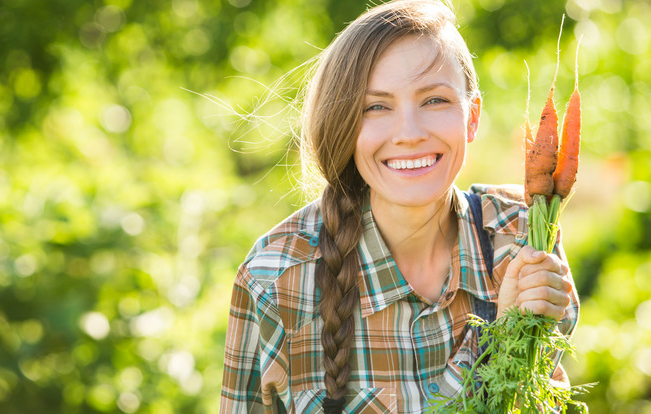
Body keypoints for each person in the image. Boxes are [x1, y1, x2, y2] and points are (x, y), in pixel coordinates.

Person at [220, 1, 578, 412]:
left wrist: (516, 334)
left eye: (434, 101)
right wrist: (495, 341)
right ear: (343, 126)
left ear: (472, 116)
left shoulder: (523, 237)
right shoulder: (276, 278)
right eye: (377, 107)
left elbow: (537, 400)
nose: (409, 133)